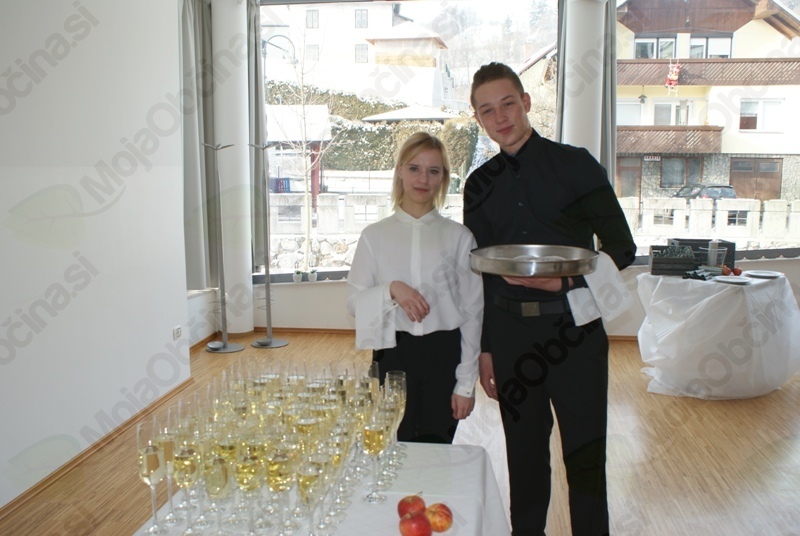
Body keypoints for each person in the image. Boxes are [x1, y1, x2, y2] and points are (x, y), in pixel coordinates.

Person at [463, 62, 636, 535]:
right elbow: (481, 274)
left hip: (574, 332)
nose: (500, 117)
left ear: (526, 102)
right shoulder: (478, 185)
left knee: (585, 456)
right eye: (487, 111)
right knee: (523, 457)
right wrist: (485, 349)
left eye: (508, 104)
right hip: (511, 336)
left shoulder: (576, 165)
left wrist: (565, 284)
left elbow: (622, 247)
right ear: (478, 119)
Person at [347, 131, 484, 444]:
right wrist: (391, 289)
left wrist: (466, 383)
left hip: (445, 356)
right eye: (414, 168)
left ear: (443, 178)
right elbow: (354, 301)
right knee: (394, 448)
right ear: (399, 170)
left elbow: (474, 312)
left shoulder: (460, 237)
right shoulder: (374, 236)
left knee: (438, 449)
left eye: (433, 171)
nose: (423, 179)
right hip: (392, 354)